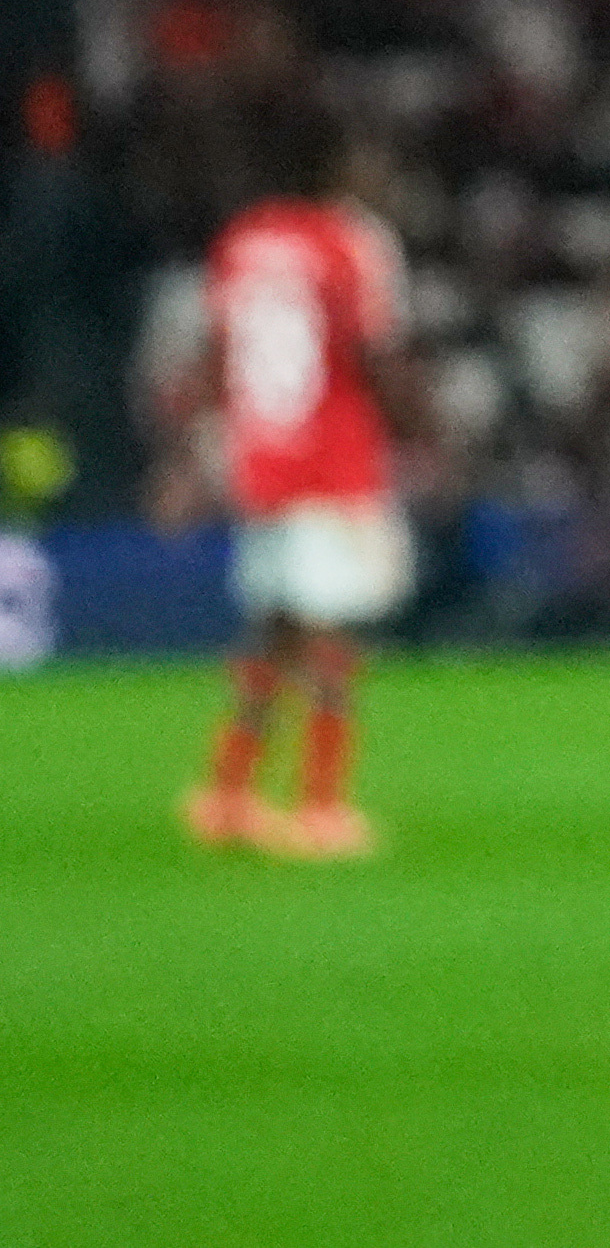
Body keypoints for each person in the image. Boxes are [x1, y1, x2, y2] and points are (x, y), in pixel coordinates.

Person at [177, 99, 410, 861]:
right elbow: (366, 350)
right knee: (330, 633)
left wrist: (191, 452)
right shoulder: (346, 245)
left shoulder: (243, 242)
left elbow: (215, 352)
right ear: (333, 167)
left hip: (259, 458)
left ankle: (229, 792)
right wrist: (415, 419)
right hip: (331, 459)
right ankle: (320, 806)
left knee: (275, 629)